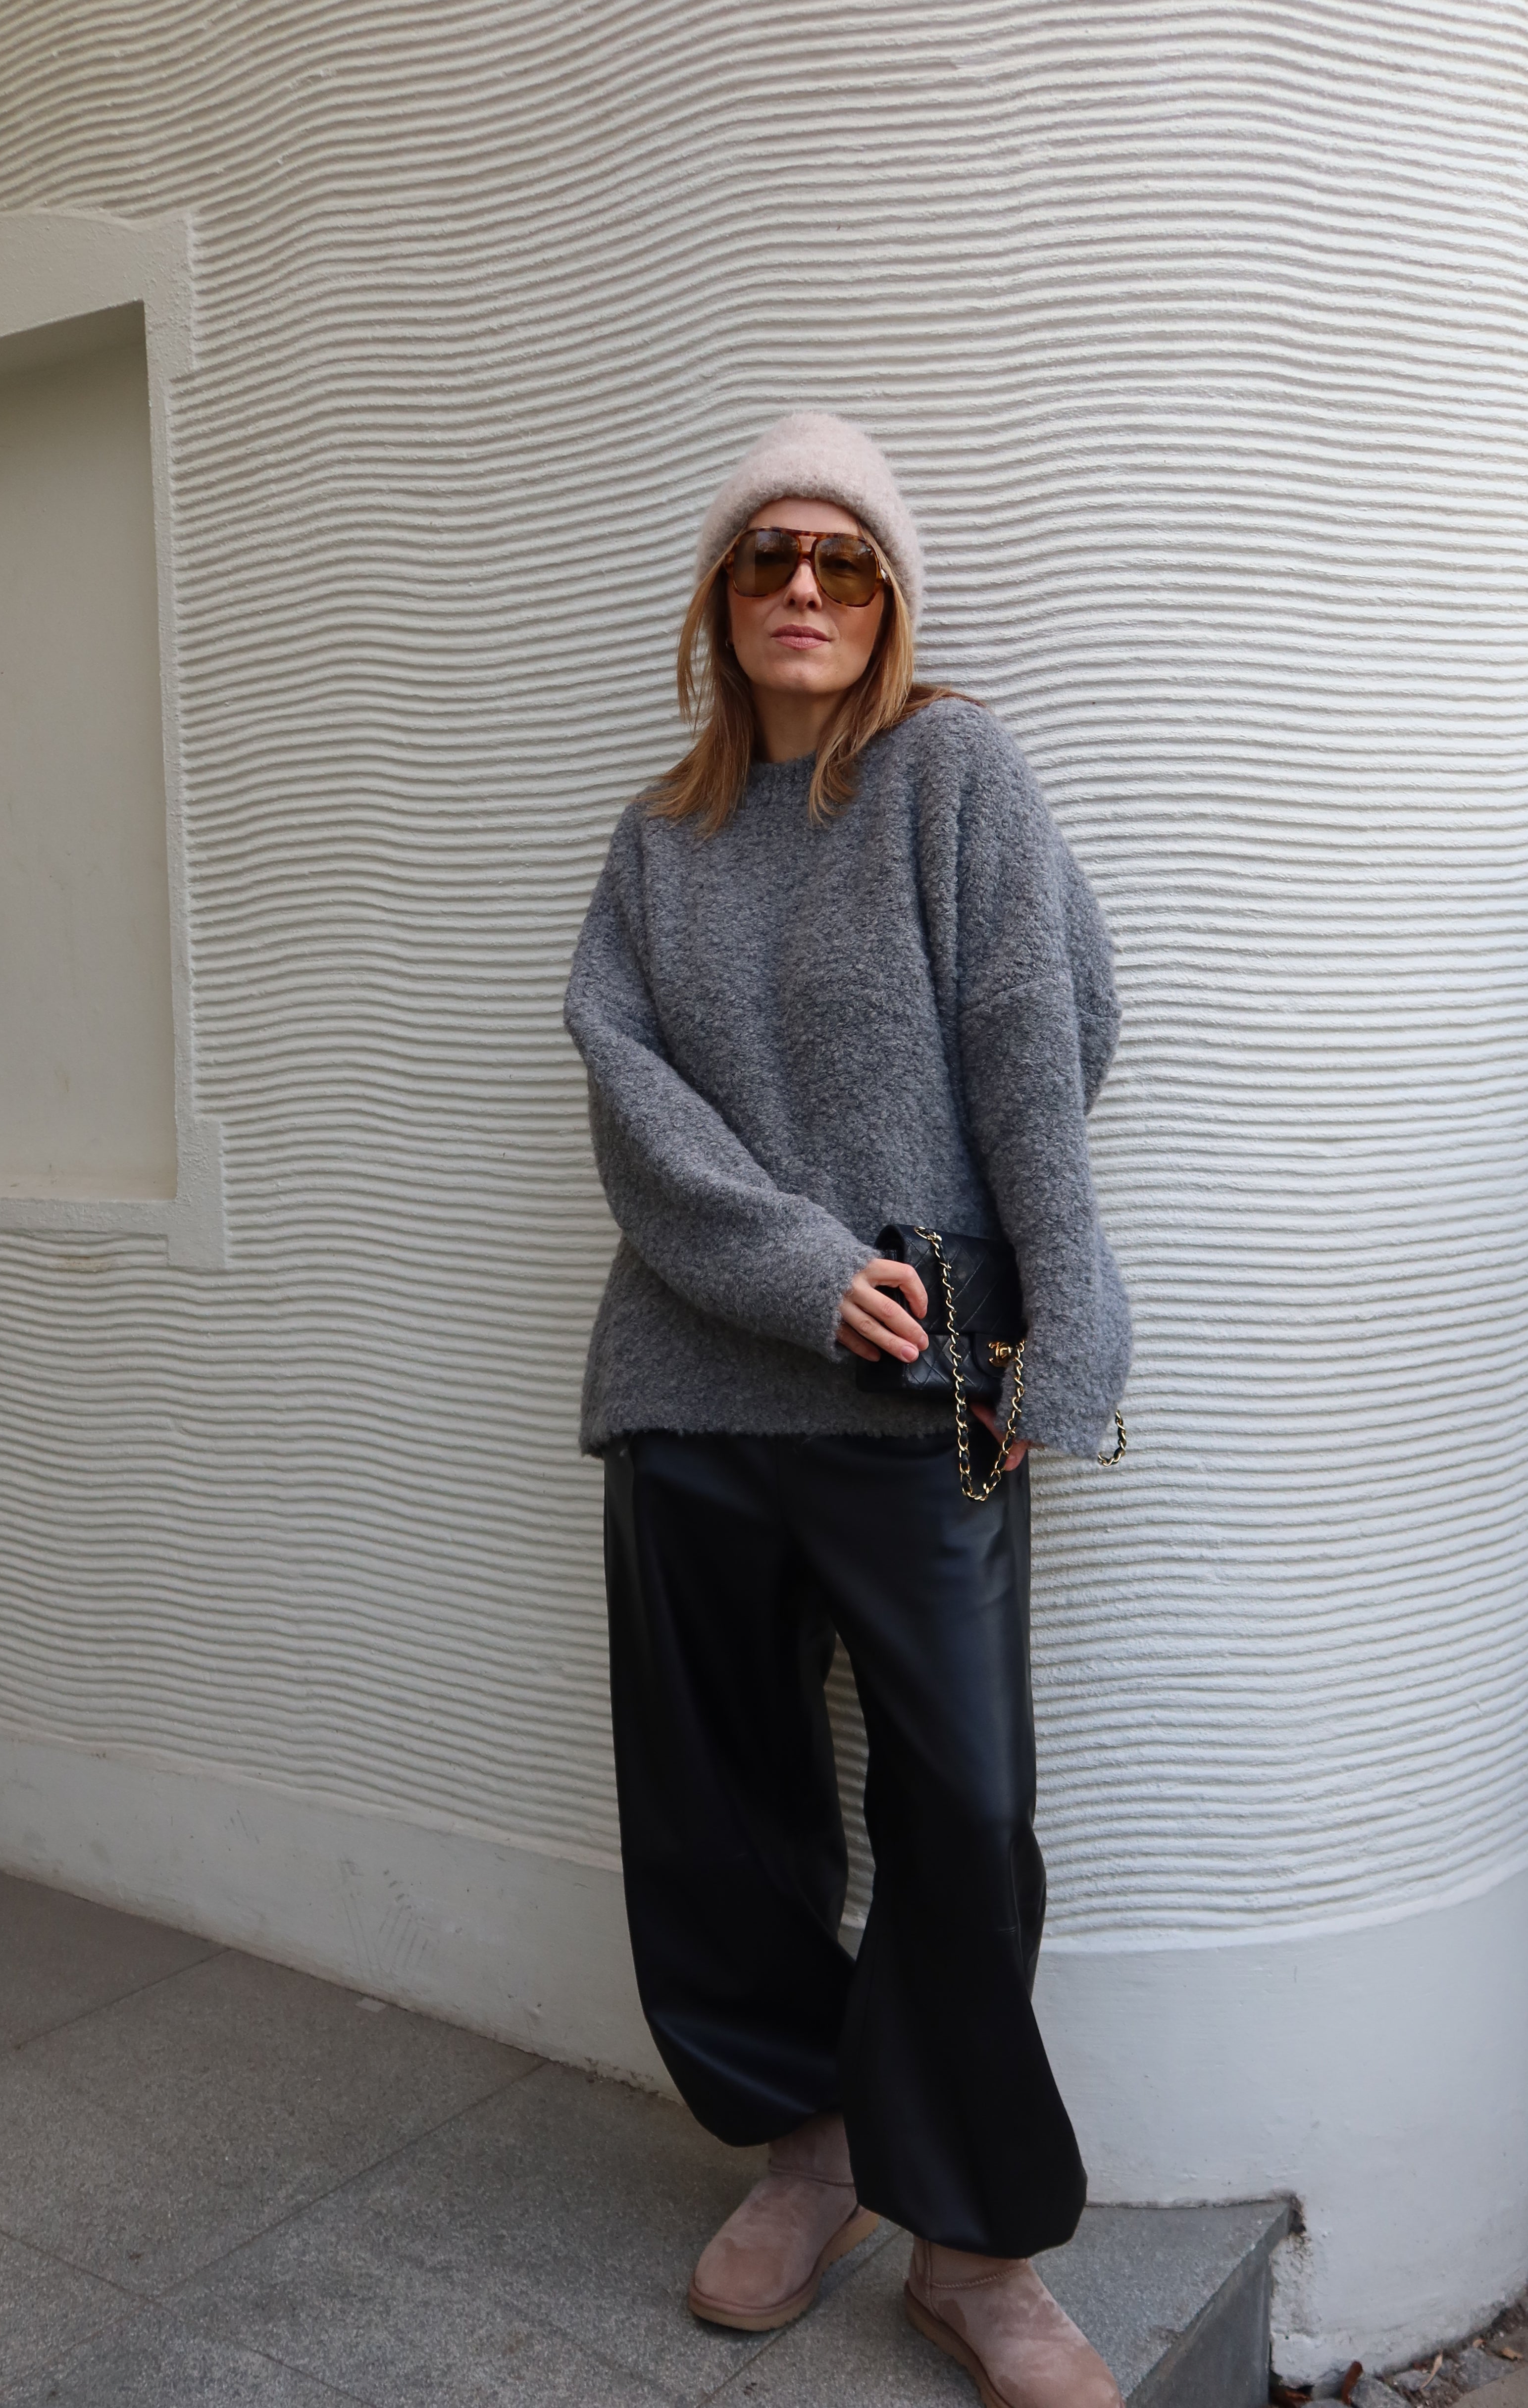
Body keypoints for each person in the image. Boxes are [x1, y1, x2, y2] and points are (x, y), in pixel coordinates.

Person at [564, 410, 1131, 2408]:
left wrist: (1064, 1328)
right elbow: (630, 1103)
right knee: (722, 1811)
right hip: (694, 1381)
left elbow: (1048, 1035)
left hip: (924, 1392)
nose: (804, 588)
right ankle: (809, 2154)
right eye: (767, 557)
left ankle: (973, 2250)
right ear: (719, 600)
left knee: (964, 1815)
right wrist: (803, 1270)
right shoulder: (658, 844)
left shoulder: (954, 778)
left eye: (846, 560)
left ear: (890, 601)